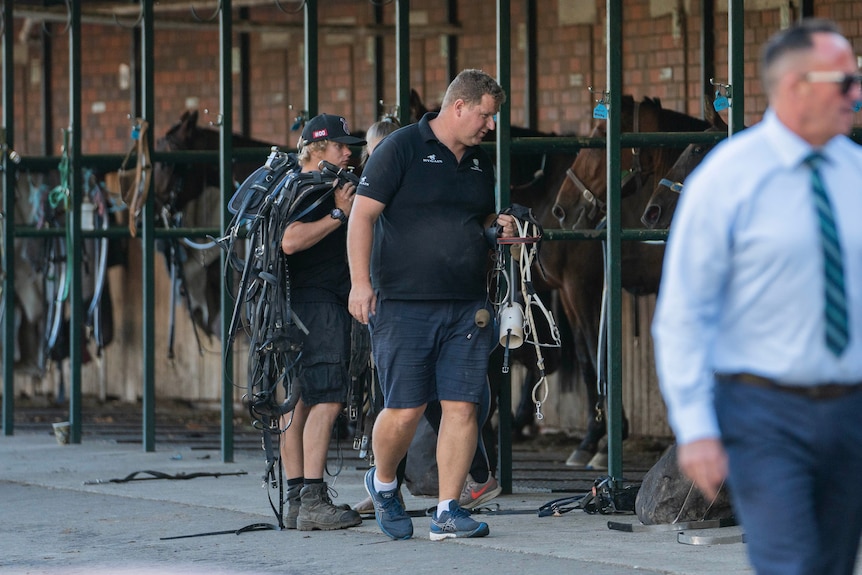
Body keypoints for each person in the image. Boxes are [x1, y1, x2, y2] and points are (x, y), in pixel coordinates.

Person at [652, 19, 862, 575]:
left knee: (835, 564)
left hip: (851, 410)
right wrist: (695, 426)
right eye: (844, 81)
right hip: (765, 412)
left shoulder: (856, 175)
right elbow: (683, 315)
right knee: (791, 562)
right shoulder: (728, 180)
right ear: (796, 85)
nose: (857, 93)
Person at [347, 69, 515, 541]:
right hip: (403, 303)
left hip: (466, 304)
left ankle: (447, 509)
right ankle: (382, 483)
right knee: (405, 409)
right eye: (485, 115)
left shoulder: (481, 163)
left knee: (463, 407)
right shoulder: (399, 148)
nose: (490, 125)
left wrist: (496, 227)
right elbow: (361, 217)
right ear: (458, 106)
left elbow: (476, 218)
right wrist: (360, 284)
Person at [279, 113, 366, 531]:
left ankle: (297, 499)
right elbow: (290, 240)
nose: (348, 152)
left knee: (295, 401)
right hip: (318, 306)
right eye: (339, 145)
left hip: (293, 306)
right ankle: (313, 499)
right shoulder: (316, 188)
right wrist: (338, 213)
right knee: (327, 397)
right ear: (315, 149)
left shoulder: (291, 184)